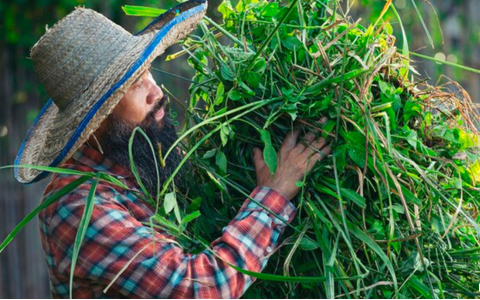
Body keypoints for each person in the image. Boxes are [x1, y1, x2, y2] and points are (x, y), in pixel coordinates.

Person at [14, 0, 331, 298]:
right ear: (93, 120)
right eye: (135, 83)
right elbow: (199, 290)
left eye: (146, 71)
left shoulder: (137, 157)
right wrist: (272, 198)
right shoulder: (76, 206)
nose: (156, 91)